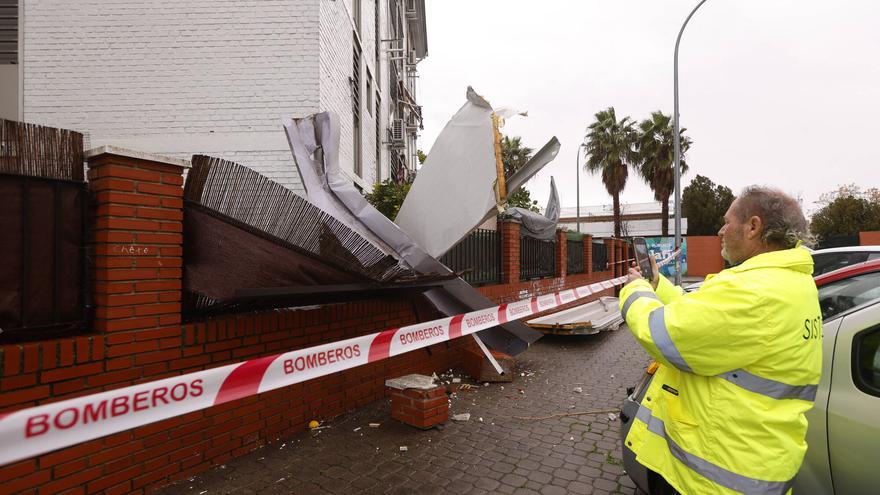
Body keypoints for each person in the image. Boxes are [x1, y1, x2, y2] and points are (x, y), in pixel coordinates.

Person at [619, 186, 822, 495]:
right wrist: (658, 286)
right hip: (749, 461)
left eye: (728, 222)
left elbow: (662, 334)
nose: (720, 230)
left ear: (753, 227)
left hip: (717, 478)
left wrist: (634, 291)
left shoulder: (754, 291)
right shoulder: (788, 282)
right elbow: (702, 319)